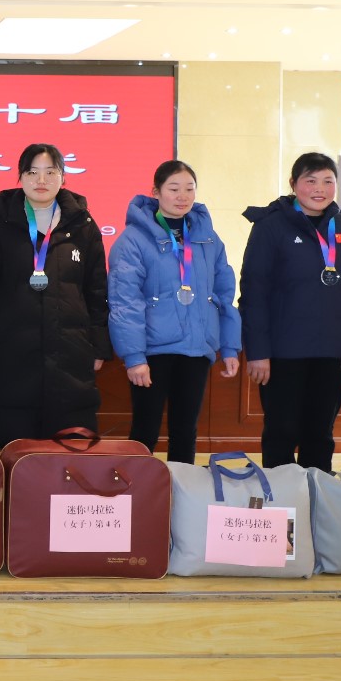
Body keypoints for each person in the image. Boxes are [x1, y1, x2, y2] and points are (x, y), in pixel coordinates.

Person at [0, 143, 111, 448]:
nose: (41, 180)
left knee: (67, 453)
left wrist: (98, 347)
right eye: (32, 172)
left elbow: (97, 291)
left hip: (70, 357)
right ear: (20, 177)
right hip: (11, 356)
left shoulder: (83, 226)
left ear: (63, 177)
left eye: (50, 172)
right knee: (13, 450)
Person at [239, 152, 341, 470]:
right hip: (283, 353)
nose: (320, 189)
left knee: (320, 435)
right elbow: (254, 294)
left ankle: (317, 497)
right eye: (310, 180)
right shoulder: (270, 226)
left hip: (333, 352)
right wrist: (257, 352)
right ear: (293, 184)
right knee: (281, 432)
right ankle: (281, 499)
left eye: (328, 181)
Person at [107, 160, 241, 464]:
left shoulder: (208, 238)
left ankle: (182, 490)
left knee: (185, 431)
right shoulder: (133, 239)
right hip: (153, 351)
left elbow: (223, 292)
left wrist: (229, 346)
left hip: (196, 349)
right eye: (174, 188)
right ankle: (139, 489)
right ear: (156, 192)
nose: (182, 196)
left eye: (189, 189)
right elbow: (124, 300)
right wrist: (134, 356)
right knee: (145, 430)